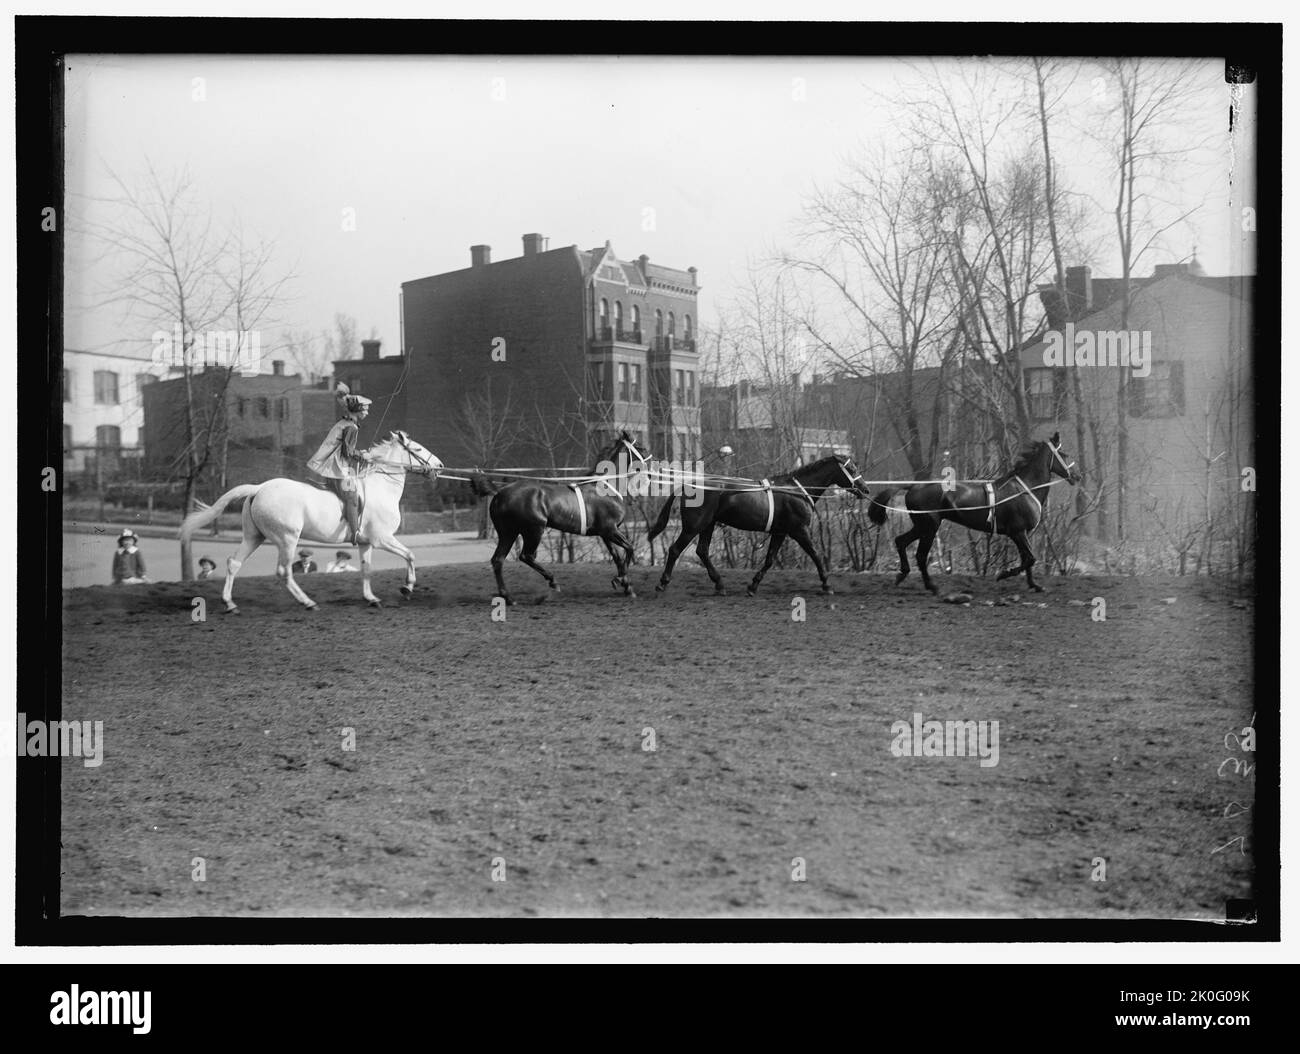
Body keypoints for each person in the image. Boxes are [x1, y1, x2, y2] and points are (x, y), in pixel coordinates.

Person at [307, 382, 374, 544]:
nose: (367, 411)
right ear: (358, 411)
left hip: (330, 466)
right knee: (352, 497)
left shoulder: (344, 423)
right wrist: (363, 456)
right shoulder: (351, 427)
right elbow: (347, 452)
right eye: (365, 409)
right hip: (335, 469)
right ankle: (355, 534)